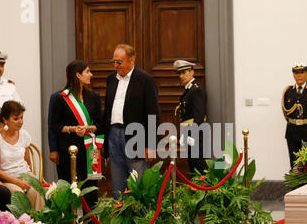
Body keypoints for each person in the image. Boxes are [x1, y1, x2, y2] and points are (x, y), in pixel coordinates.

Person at [103, 44, 161, 199]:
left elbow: (153, 113)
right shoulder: (111, 79)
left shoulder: (145, 80)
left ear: (131, 59)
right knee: (117, 183)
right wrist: (105, 147)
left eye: (119, 62)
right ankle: (120, 219)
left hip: (136, 137)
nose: (116, 65)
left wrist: (150, 145)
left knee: (138, 184)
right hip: (114, 135)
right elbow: (107, 111)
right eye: (114, 62)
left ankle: (141, 222)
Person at [49, 60, 103, 213]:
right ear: (78, 75)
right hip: (69, 150)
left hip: (90, 150)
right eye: (87, 72)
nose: (91, 74)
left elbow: (100, 123)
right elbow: (55, 125)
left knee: (91, 190)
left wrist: (88, 128)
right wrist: (72, 129)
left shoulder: (94, 96)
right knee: (68, 189)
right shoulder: (61, 98)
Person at [0, 101, 45, 211]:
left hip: (24, 174)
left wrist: (28, 177)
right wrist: (17, 182)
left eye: (22, 118)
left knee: (36, 190)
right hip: (5, 179)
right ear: (5, 119)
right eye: (16, 119)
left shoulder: (24, 134)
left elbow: (28, 163)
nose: (21, 122)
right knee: (18, 194)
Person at [173, 60, 208, 175]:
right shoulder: (189, 90)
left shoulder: (196, 89)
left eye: (184, 73)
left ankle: (204, 190)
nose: (181, 76)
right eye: (180, 73)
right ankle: (196, 190)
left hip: (195, 133)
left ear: (192, 72)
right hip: (189, 131)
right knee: (192, 164)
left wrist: (193, 134)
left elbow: (199, 114)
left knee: (198, 164)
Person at [48, 90, 62, 178]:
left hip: (87, 148)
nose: (91, 74)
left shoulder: (92, 96)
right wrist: (53, 150)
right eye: (86, 74)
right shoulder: (57, 96)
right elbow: (52, 125)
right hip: (64, 148)